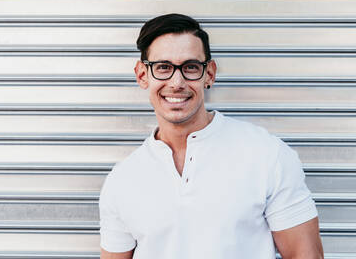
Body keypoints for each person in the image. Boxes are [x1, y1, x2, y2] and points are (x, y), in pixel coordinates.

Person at [99, 13, 324, 259]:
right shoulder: (122, 180)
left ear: (210, 74)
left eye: (190, 67)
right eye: (163, 67)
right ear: (142, 75)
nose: (177, 82)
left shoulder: (267, 155)